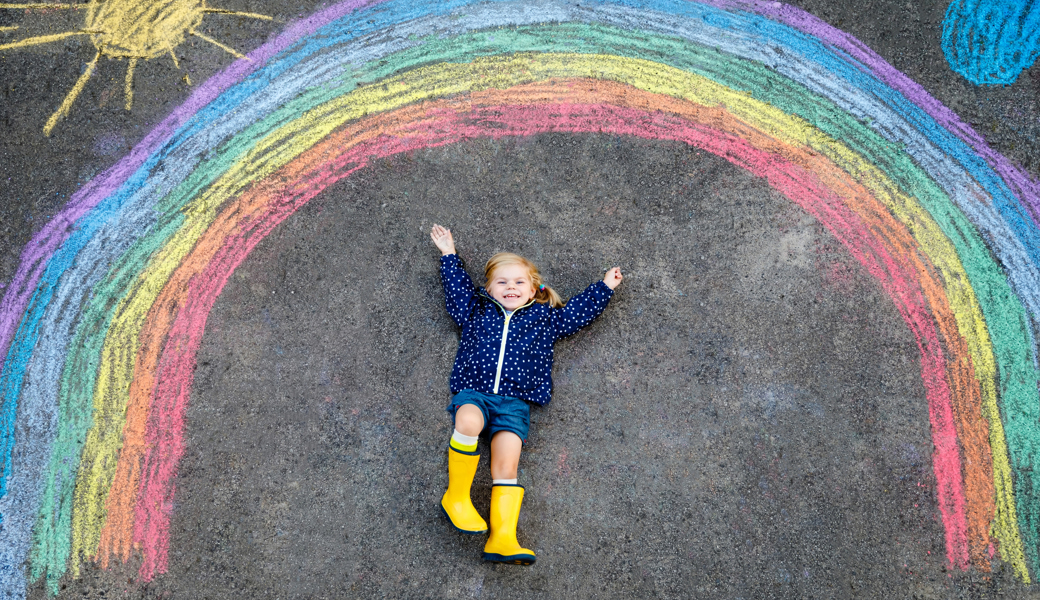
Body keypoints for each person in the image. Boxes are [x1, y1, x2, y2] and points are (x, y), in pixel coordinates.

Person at [430, 224, 623, 565]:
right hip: (475, 391)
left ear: (534, 289)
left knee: (507, 465)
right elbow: (458, 292)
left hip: (515, 403)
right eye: (502, 282)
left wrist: (604, 287)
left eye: (519, 282)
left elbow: (576, 314)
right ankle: (456, 496)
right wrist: (449, 254)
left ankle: (502, 537)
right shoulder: (474, 310)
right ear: (488, 288)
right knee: (468, 420)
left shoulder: (545, 319)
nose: (510, 287)